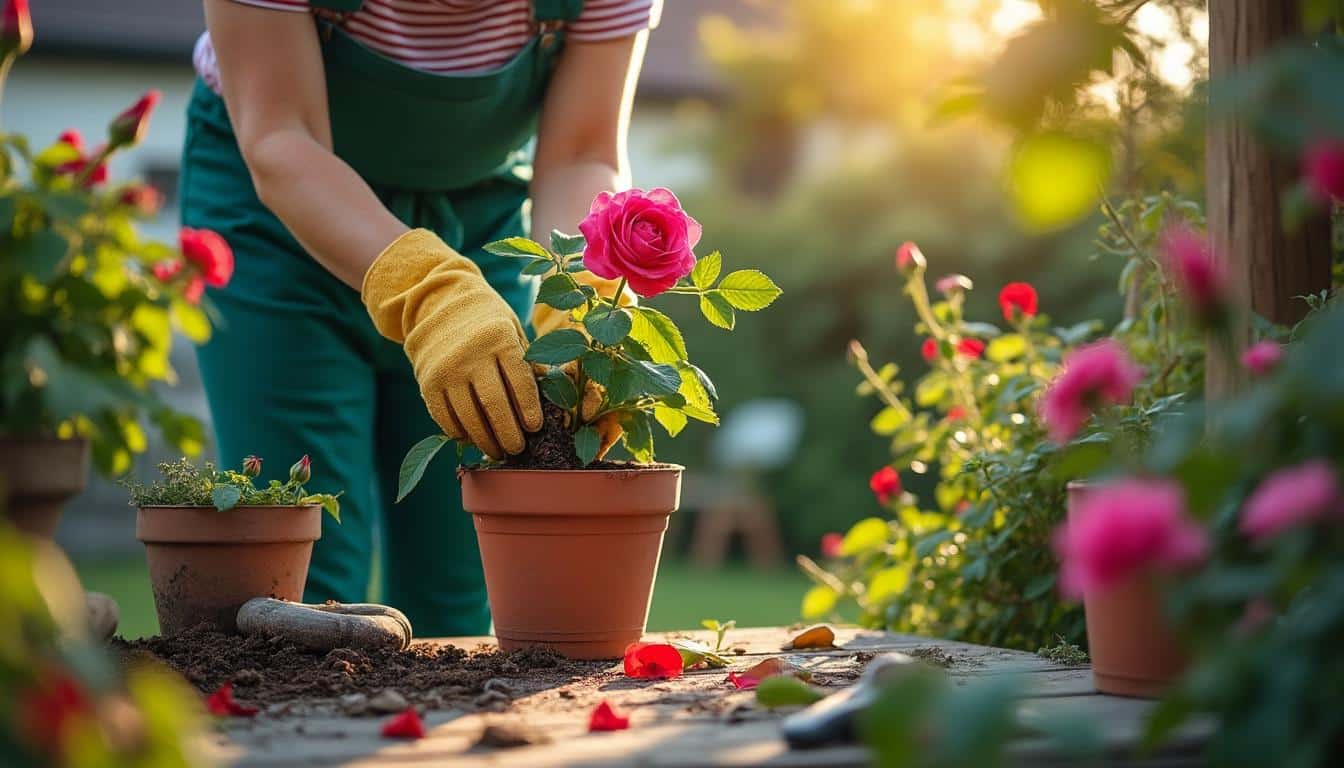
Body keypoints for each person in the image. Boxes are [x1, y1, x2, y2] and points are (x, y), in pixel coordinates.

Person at [185, 0, 657, 636]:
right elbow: (280, 135)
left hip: (480, 218)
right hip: (278, 224)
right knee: (303, 574)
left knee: (467, 573)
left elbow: (581, 154)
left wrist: (578, 301)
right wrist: (426, 290)